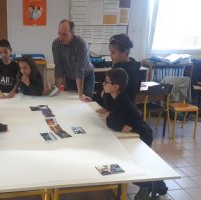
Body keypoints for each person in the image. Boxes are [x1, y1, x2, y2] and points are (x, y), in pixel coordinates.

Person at [102, 68, 169, 200]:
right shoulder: (112, 96)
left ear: (115, 87)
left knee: (137, 165)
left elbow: (113, 122)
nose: (103, 84)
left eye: (105, 82)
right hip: (133, 133)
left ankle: (153, 187)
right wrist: (113, 119)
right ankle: (156, 187)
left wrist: (114, 121)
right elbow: (110, 115)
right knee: (138, 163)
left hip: (142, 135)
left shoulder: (122, 101)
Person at [52, 19, 95, 102]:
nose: (61, 38)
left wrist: (80, 94)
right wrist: (56, 89)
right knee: (71, 102)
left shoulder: (81, 44)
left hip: (86, 77)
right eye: (59, 33)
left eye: (64, 34)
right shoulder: (56, 44)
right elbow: (58, 67)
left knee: (85, 102)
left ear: (72, 33)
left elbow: (80, 70)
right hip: (70, 78)